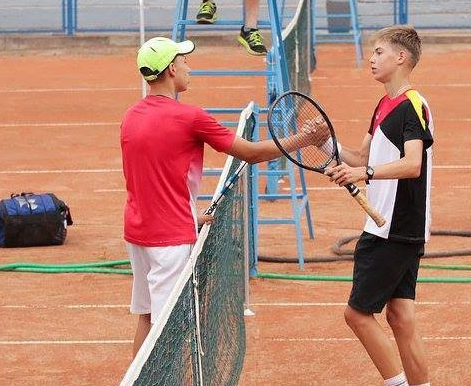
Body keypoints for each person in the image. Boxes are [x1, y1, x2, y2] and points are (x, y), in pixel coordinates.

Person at [121, 36, 325, 355]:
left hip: (137, 233)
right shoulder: (190, 117)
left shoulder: (131, 115)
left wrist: (189, 217)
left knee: (146, 320)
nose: (189, 66)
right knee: (167, 334)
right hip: (169, 242)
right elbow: (253, 153)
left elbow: (150, 180)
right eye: (184, 61)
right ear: (172, 69)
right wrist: (306, 138)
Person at [325, 26, 437, 386]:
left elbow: (412, 164)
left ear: (400, 59)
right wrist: (322, 143)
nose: (371, 59)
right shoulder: (383, 106)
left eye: (378, 52)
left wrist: (365, 175)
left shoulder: (412, 106)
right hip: (396, 226)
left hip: (391, 227)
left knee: (356, 315)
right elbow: (361, 159)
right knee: (401, 316)